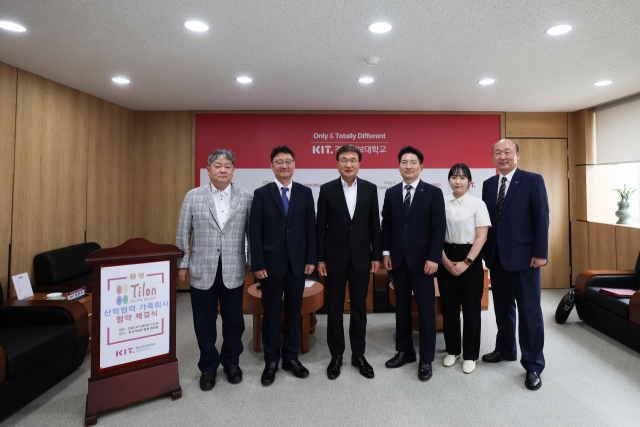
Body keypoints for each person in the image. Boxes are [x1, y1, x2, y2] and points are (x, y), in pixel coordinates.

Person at [176, 149, 252, 391]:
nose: (222, 170)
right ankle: (208, 366)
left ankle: (231, 363)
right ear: (208, 170)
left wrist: (251, 260)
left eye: (227, 166)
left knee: (234, 320)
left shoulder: (246, 197)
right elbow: (182, 232)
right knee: (204, 321)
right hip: (202, 268)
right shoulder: (193, 196)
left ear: (233, 170)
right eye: (217, 166)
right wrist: (183, 263)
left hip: (234, 268)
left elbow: (252, 233)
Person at [481, 139, 549, 390]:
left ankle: (533, 364)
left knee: (530, 312)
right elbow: (489, 221)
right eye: (497, 152)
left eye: (507, 152)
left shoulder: (532, 180)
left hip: (526, 259)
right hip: (497, 257)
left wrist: (541, 253)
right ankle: (506, 349)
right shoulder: (488, 185)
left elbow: (542, 217)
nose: (502, 157)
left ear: (517, 155)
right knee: (502, 308)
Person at [250, 145, 317, 386]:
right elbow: (254, 232)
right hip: (269, 265)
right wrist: (256, 263)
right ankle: (271, 360)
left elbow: (311, 228)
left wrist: (311, 258)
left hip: (298, 264)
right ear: (271, 166)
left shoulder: (305, 193)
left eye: (288, 161)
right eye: (279, 162)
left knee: (293, 311)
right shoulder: (261, 194)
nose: (284, 165)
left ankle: (290, 357)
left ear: (294, 165)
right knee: (270, 314)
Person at [316, 144, 382, 380]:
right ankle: (336, 355)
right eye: (344, 160)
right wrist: (320, 258)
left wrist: (376, 256)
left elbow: (375, 224)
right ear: (337, 163)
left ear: (359, 163)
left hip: (362, 258)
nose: (348, 164)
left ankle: (359, 354)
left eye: (353, 160)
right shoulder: (326, 189)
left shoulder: (370, 189)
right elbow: (320, 227)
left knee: (359, 308)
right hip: (333, 258)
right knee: (334, 308)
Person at [381, 146, 446, 381]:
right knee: (402, 309)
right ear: (398, 166)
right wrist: (386, 253)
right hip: (397, 261)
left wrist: (433, 258)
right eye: (404, 162)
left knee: (426, 310)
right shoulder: (390, 193)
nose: (408, 166)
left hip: (423, 263)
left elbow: (439, 228)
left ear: (421, 166)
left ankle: (426, 359)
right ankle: (405, 350)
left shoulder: (433, 193)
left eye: (413, 162)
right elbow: (386, 225)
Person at [437, 163, 490, 374]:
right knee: (449, 308)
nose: (457, 181)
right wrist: (444, 260)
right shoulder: (441, 203)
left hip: (471, 259)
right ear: (449, 180)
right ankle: (452, 350)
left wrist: (466, 262)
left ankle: (470, 355)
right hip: (445, 257)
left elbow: (482, 236)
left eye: (462, 177)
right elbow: (436, 235)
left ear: (469, 181)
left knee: (471, 310)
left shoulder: (478, 204)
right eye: (453, 177)